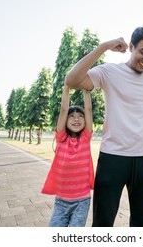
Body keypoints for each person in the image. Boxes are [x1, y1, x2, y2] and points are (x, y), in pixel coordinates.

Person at [65, 26, 143, 227]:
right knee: (102, 223)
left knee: (141, 223)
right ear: (131, 46)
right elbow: (72, 80)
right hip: (113, 158)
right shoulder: (109, 71)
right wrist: (103, 47)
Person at [41, 86, 94, 227]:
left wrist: (85, 90)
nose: (76, 119)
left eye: (80, 116)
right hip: (61, 200)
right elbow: (64, 109)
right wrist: (67, 88)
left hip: (82, 200)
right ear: (65, 120)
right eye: (72, 117)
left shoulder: (85, 138)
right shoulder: (61, 137)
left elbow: (88, 109)